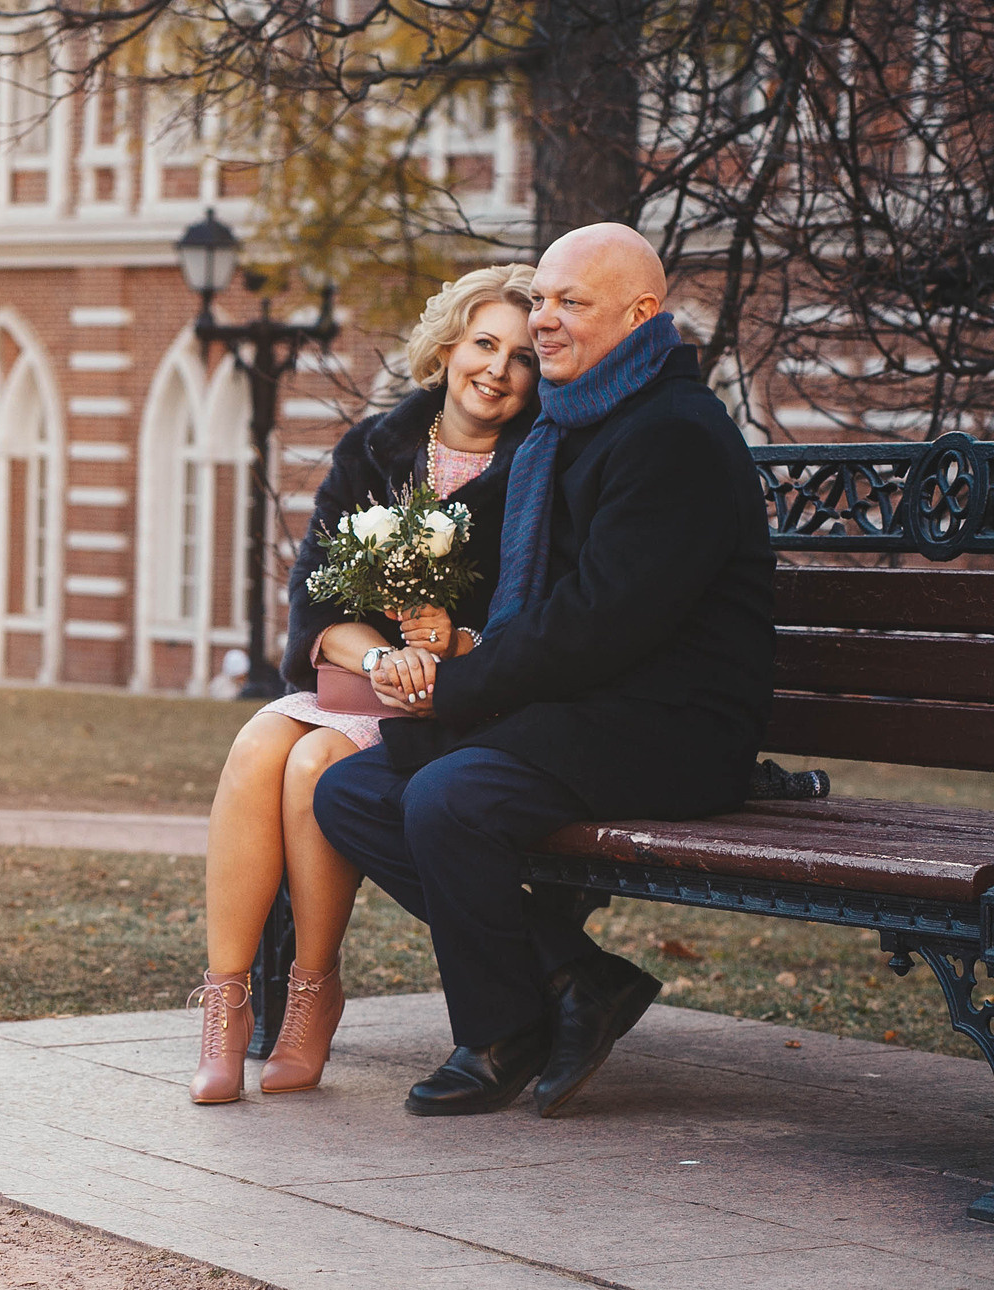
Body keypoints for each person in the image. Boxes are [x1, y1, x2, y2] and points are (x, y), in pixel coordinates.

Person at [312, 223, 775, 1119]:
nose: (545, 319)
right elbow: (548, 616)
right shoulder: (569, 423)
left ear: (641, 315)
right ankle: (574, 975)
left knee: (448, 798)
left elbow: (598, 622)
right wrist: (433, 645)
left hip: (674, 727)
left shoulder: (673, 433)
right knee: (354, 793)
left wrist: (457, 689)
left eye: (572, 302)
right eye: (542, 300)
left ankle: (498, 1033)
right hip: (584, 711)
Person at [189, 264, 542, 1105]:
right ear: (447, 348)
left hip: (459, 702)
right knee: (259, 745)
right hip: (361, 682)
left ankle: (313, 989)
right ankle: (225, 1005)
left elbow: (537, 612)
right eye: (484, 343)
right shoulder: (376, 449)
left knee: (315, 764)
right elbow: (314, 600)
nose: (497, 369)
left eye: (524, 357)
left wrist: (454, 643)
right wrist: (380, 657)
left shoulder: (539, 466)